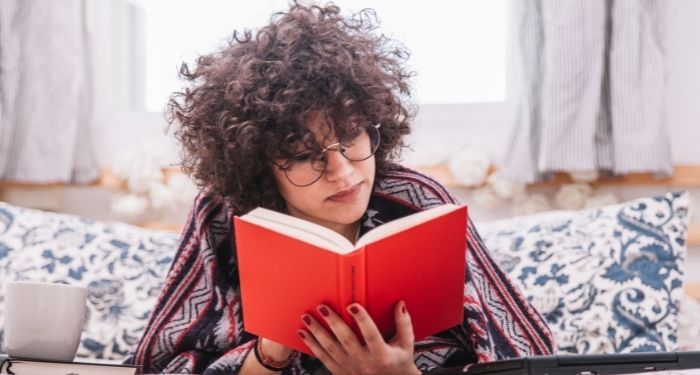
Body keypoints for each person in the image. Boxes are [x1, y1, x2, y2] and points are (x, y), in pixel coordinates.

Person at [126, 2, 554, 374]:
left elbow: (527, 354)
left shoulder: (419, 200)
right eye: (302, 154)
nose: (343, 172)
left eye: (350, 137)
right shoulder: (221, 217)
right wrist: (269, 355)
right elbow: (160, 366)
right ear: (257, 166)